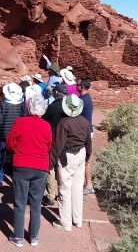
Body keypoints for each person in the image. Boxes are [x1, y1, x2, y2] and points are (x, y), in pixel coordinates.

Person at [6, 94, 52, 248]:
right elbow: (48, 145)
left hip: (22, 165)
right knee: (36, 204)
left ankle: (18, 237)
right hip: (40, 166)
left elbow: (10, 144)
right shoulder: (46, 126)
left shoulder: (20, 122)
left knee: (20, 202)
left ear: (28, 107)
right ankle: (34, 237)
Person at [49, 94, 92, 231]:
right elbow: (88, 142)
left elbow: (57, 145)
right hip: (81, 154)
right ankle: (77, 219)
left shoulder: (63, 123)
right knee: (77, 188)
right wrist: (88, 156)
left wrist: (51, 162)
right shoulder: (85, 122)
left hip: (67, 156)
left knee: (64, 189)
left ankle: (65, 222)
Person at [0, 83, 25, 187]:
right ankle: (15, 179)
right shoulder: (21, 105)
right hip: (17, 136)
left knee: (0, 156)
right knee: (15, 157)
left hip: (3, 135)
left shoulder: (3, 104)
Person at [41, 83, 68, 206]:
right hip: (66, 139)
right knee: (62, 166)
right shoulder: (68, 106)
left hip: (52, 138)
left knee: (50, 167)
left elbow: (43, 119)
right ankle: (63, 194)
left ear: (56, 93)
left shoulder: (52, 107)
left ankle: (50, 195)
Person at [77, 78, 95, 195]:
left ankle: (89, 185)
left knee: (85, 159)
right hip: (88, 130)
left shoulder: (82, 100)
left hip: (86, 131)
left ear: (82, 87)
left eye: (78, 85)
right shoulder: (87, 98)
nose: (76, 86)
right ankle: (86, 182)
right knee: (85, 158)